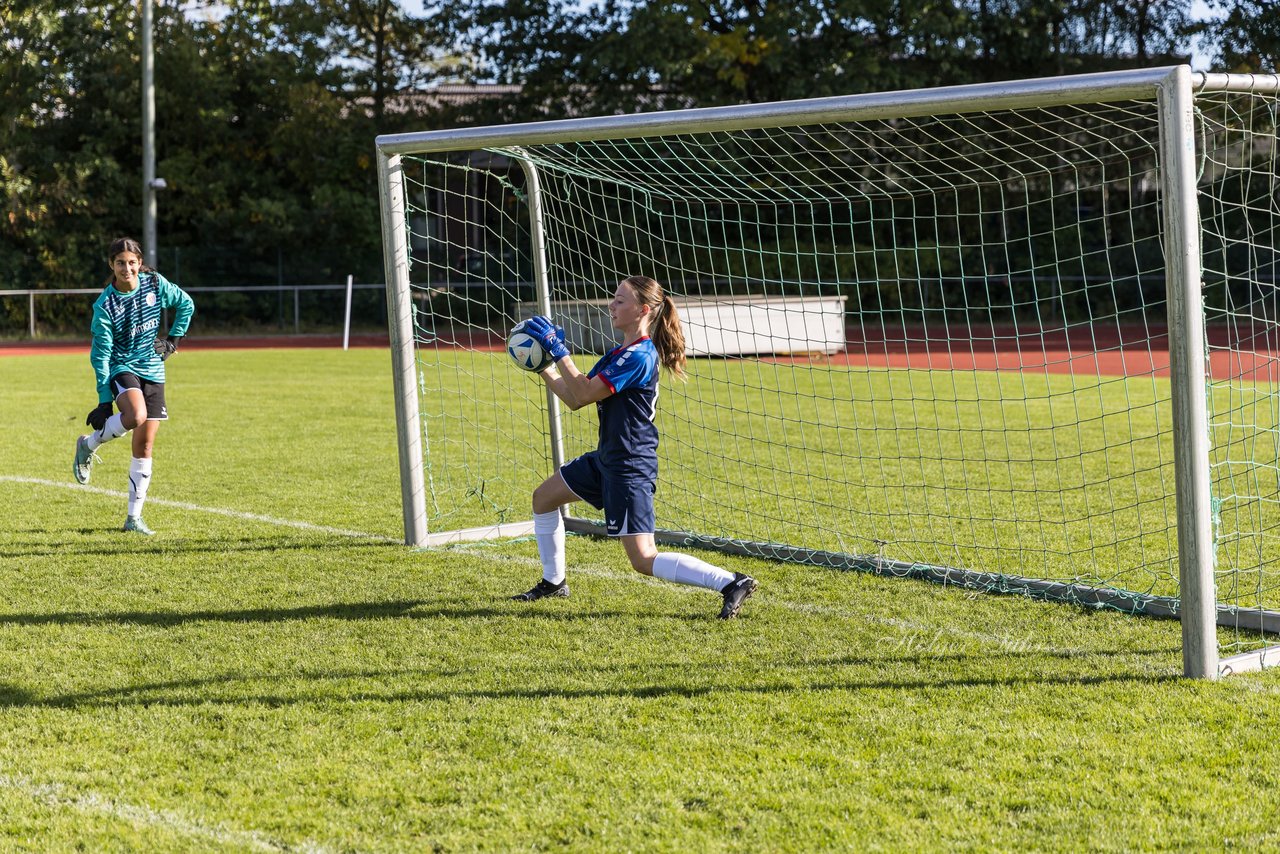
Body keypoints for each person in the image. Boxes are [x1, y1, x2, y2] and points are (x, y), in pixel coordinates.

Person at [513, 275, 758, 619]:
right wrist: (544, 366)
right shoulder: (621, 352)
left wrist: (559, 351)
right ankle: (554, 582)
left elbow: (582, 392)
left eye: (619, 300)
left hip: (629, 466)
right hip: (607, 459)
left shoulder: (640, 356)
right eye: (613, 299)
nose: (611, 305)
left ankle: (731, 582)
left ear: (643, 310)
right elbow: (575, 397)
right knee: (544, 498)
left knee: (643, 558)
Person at [72, 237, 195, 535]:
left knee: (145, 444)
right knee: (136, 415)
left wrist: (173, 341)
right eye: (119, 263)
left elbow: (186, 304)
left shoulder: (154, 284)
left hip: (153, 369)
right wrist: (104, 401)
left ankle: (133, 519)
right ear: (111, 266)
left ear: (139, 263)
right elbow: (100, 355)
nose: (126, 268)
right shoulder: (105, 305)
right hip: (122, 367)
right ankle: (89, 445)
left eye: (131, 262)